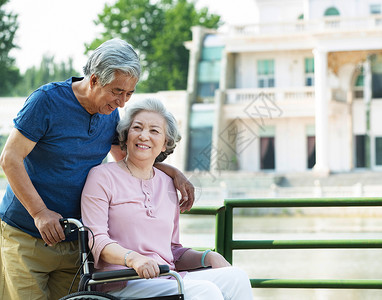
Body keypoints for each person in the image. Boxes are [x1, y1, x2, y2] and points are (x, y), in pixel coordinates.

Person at [0, 38, 194, 300]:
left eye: (129, 94)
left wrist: (173, 172)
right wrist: (39, 212)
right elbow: (10, 158)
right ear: (93, 80)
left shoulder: (109, 114)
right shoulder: (46, 101)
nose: (122, 102)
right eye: (117, 91)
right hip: (26, 235)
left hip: (74, 243)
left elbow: (128, 158)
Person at [80, 98, 253, 299]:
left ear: (165, 144)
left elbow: (172, 251)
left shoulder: (168, 183)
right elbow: (97, 240)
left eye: (154, 131)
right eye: (137, 128)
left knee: (236, 277)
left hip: (167, 278)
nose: (144, 136)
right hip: (123, 282)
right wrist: (133, 259)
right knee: (206, 292)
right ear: (126, 137)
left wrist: (207, 256)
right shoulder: (101, 176)